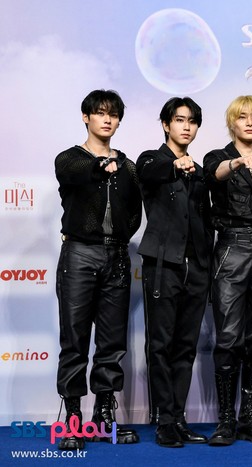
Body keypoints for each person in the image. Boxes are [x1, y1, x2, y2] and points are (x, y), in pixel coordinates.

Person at [54, 89, 141, 450]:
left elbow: (135, 214)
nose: (107, 119)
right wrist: (99, 166)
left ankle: (103, 416)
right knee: (74, 341)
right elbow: (73, 173)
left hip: (117, 256)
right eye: (100, 113)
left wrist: (119, 238)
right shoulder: (70, 158)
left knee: (112, 343)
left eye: (113, 114)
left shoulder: (129, 166)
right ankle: (73, 420)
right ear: (85, 117)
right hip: (79, 254)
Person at [137, 97, 213, 448]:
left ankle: (179, 417)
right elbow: (149, 173)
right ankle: (164, 420)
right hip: (163, 265)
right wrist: (175, 166)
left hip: (196, 268)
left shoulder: (199, 171)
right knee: (160, 345)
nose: (186, 126)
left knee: (186, 347)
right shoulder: (151, 159)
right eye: (180, 120)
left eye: (192, 121)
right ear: (166, 124)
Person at [203, 96, 252, 446]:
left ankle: (249, 418)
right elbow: (214, 175)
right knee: (228, 338)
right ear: (232, 122)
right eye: (242, 117)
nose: (249, 122)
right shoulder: (217, 157)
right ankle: (225, 420)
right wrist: (236, 163)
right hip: (231, 249)